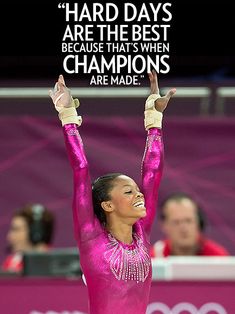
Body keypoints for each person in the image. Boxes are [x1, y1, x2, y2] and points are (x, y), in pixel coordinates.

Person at [49, 71, 175, 314]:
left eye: (137, 191)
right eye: (129, 192)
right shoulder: (90, 236)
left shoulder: (141, 233)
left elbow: (153, 173)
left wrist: (154, 120)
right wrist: (67, 116)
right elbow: (81, 168)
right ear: (107, 205)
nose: (140, 195)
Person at [151, 192, 230, 257]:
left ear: (199, 222)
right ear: (164, 226)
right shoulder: (154, 258)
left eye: (188, 221)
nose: (183, 228)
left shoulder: (218, 257)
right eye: (176, 222)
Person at [2, 203, 55, 273]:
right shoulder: (11, 262)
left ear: (36, 234)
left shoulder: (55, 265)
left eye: (16, 229)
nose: (9, 237)